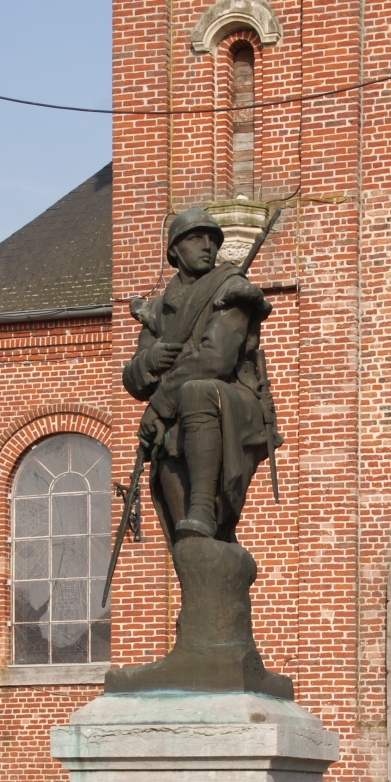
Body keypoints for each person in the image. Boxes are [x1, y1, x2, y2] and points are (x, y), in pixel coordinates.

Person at [122, 207, 280, 546]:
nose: (207, 246)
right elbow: (134, 382)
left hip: (230, 404)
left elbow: (216, 360)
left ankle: (205, 509)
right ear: (174, 250)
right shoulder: (157, 310)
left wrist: (160, 403)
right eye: (196, 239)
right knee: (189, 547)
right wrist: (150, 359)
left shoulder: (232, 290)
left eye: (213, 240)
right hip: (175, 423)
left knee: (198, 389)